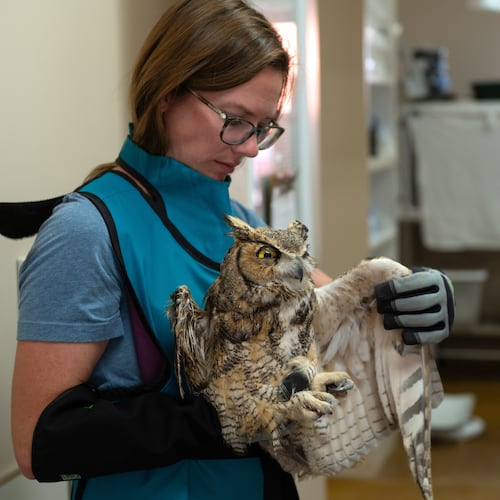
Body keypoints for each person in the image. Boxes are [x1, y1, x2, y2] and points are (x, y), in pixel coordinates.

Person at [8, 1, 455, 499]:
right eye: (237, 119)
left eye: (264, 127)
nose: (250, 148)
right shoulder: (86, 231)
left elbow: (335, 313)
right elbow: (38, 444)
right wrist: (229, 414)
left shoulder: (243, 225)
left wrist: (412, 297)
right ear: (167, 94)